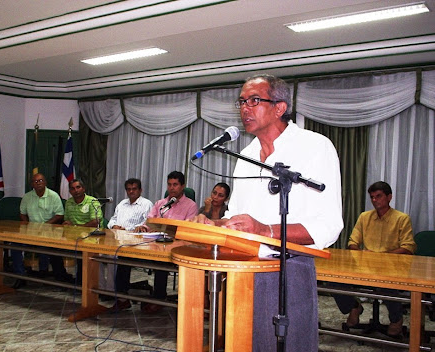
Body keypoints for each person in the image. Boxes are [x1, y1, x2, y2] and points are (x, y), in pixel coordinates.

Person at [193, 74, 343, 351]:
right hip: (242, 270)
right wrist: (212, 224)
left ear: (279, 107)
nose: (244, 108)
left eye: (254, 100)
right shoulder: (246, 156)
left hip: (290, 268)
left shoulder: (315, 147)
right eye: (241, 102)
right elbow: (238, 218)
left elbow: (329, 225)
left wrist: (266, 231)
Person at [333, 181, 416, 336]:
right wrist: (360, 253)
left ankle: (396, 319)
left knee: (386, 284)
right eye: (372, 197)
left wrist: (383, 257)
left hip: (392, 268)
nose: (375, 200)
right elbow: (353, 242)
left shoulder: (402, 218)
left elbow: (408, 247)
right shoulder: (365, 217)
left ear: (389, 197)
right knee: (334, 278)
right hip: (366, 267)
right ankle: (354, 307)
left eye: (379, 196)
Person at [136, 171, 198, 313]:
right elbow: (151, 221)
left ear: (182, 186)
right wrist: (144, 227)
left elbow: (187, 230)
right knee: (124, 255)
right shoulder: (160, 204)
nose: (172, 188)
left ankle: (159, 299)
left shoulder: (191, 206)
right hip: (155, 244)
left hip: (176, 247)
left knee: (160, 261)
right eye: (169, 184)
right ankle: (122, 297)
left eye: (175, 185)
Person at [11, 173, 72, 289]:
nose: (38, 183)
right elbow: (22, 214)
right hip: (30, 232)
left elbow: (59, 215)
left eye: (40, 181)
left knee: (46, 245)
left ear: (45, 182)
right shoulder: (27, 197)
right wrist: (27, 226)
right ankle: (21, 276)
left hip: (49, 231)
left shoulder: (53, 196)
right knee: (15, 245)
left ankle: (43, 272)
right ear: (31, 184)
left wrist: (44, 226)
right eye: (35, 181)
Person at [106, 178, 153, 310]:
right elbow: (112, 219)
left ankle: (122, 298)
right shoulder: (121, 204)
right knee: (101, 255)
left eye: (134, 189)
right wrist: (114, 225)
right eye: (129, 189)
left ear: (140, 190)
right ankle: (110, 292)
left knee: (122, 259)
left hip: (136, 243)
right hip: (118, 240)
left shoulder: (146, 204)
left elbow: (147, 223)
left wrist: (129, 229)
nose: (131, 192)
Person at [63, 178, 102, 283]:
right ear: (70, 191)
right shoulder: (69, 202)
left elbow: (95, 221)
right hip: (73, 236)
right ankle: (61, 279)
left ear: (83, 189)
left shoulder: (92, 201)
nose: (76, 190)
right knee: (53, 249)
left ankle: (82, 282)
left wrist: (76, 226)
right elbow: (66, 220)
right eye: (72, 188)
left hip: (91, 237)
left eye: (78, 187)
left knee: (82, 251)